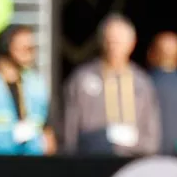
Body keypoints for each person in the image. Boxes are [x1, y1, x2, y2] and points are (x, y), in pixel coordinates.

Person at [62, 14, 161, 157]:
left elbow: (152, 137)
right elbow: (69, 132)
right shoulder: (82, 78)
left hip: (132, 163)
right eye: (110, 41)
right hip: (92, 160)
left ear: (132, 43)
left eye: (119, 42)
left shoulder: (142, 82)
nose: (113, 47)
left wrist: (131, 142)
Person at [0, 25, 52, 156]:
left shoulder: (35, 83)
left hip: (29, 160)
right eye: (25, 48)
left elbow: (45, 126)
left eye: (32, 48)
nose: (31, 52)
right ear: (6, 47)